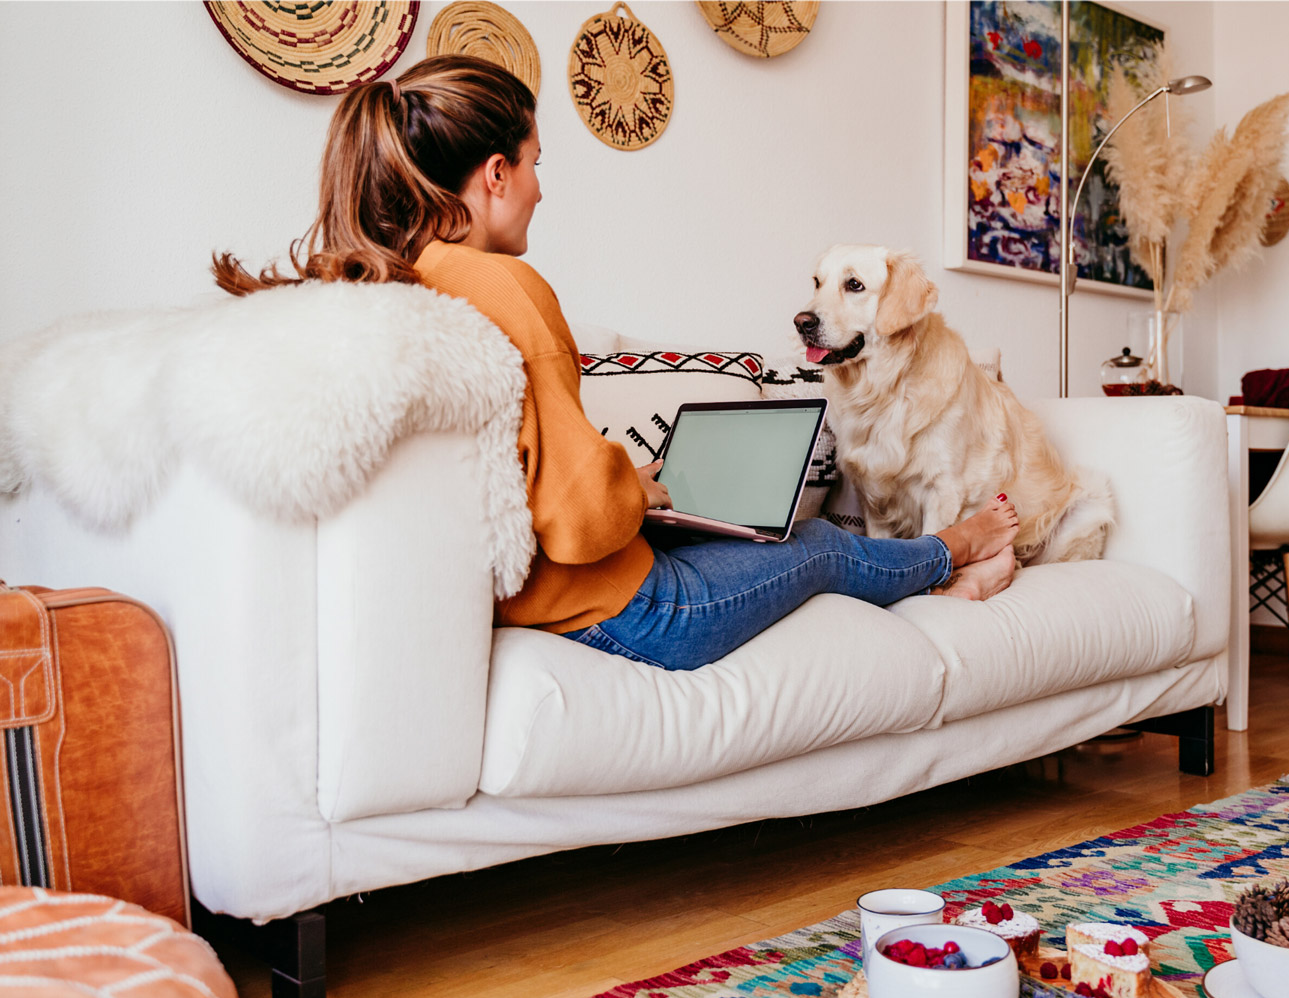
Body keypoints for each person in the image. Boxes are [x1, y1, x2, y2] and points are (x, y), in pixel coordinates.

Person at [213, 56, 1019, 672]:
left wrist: (629, 479)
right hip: (625, 608)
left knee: (754, 529)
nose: (538, 190)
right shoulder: (504, 284)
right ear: (495, 175)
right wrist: (631, 486)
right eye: (533, 163)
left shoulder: (399, 274)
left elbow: (528, 471)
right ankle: (961, 545)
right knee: (817, 543)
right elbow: (578, 521)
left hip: (535, 596)